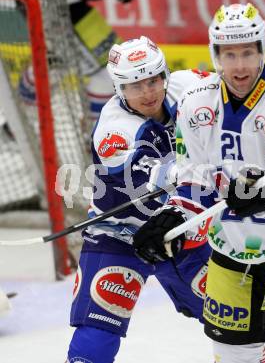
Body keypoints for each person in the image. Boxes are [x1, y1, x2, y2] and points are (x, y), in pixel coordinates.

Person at [133, 3, 265, 363]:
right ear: (215, 55)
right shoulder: (195, 104)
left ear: (262, 50)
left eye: (248, 53)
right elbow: (195, 180)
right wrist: (173, 220)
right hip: (231, 246)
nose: (240, 65)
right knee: (233, 356)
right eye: (229, 55)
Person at [66, 36, 212, 363]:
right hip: (120, 234)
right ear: (119, 89)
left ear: (165, 75)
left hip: (179, 229)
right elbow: (161, 179)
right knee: (97, 332)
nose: (147, 92)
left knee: (235, 321)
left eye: (153, 80)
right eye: (134, 86)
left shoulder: (193, 87)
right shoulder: (115, 131)